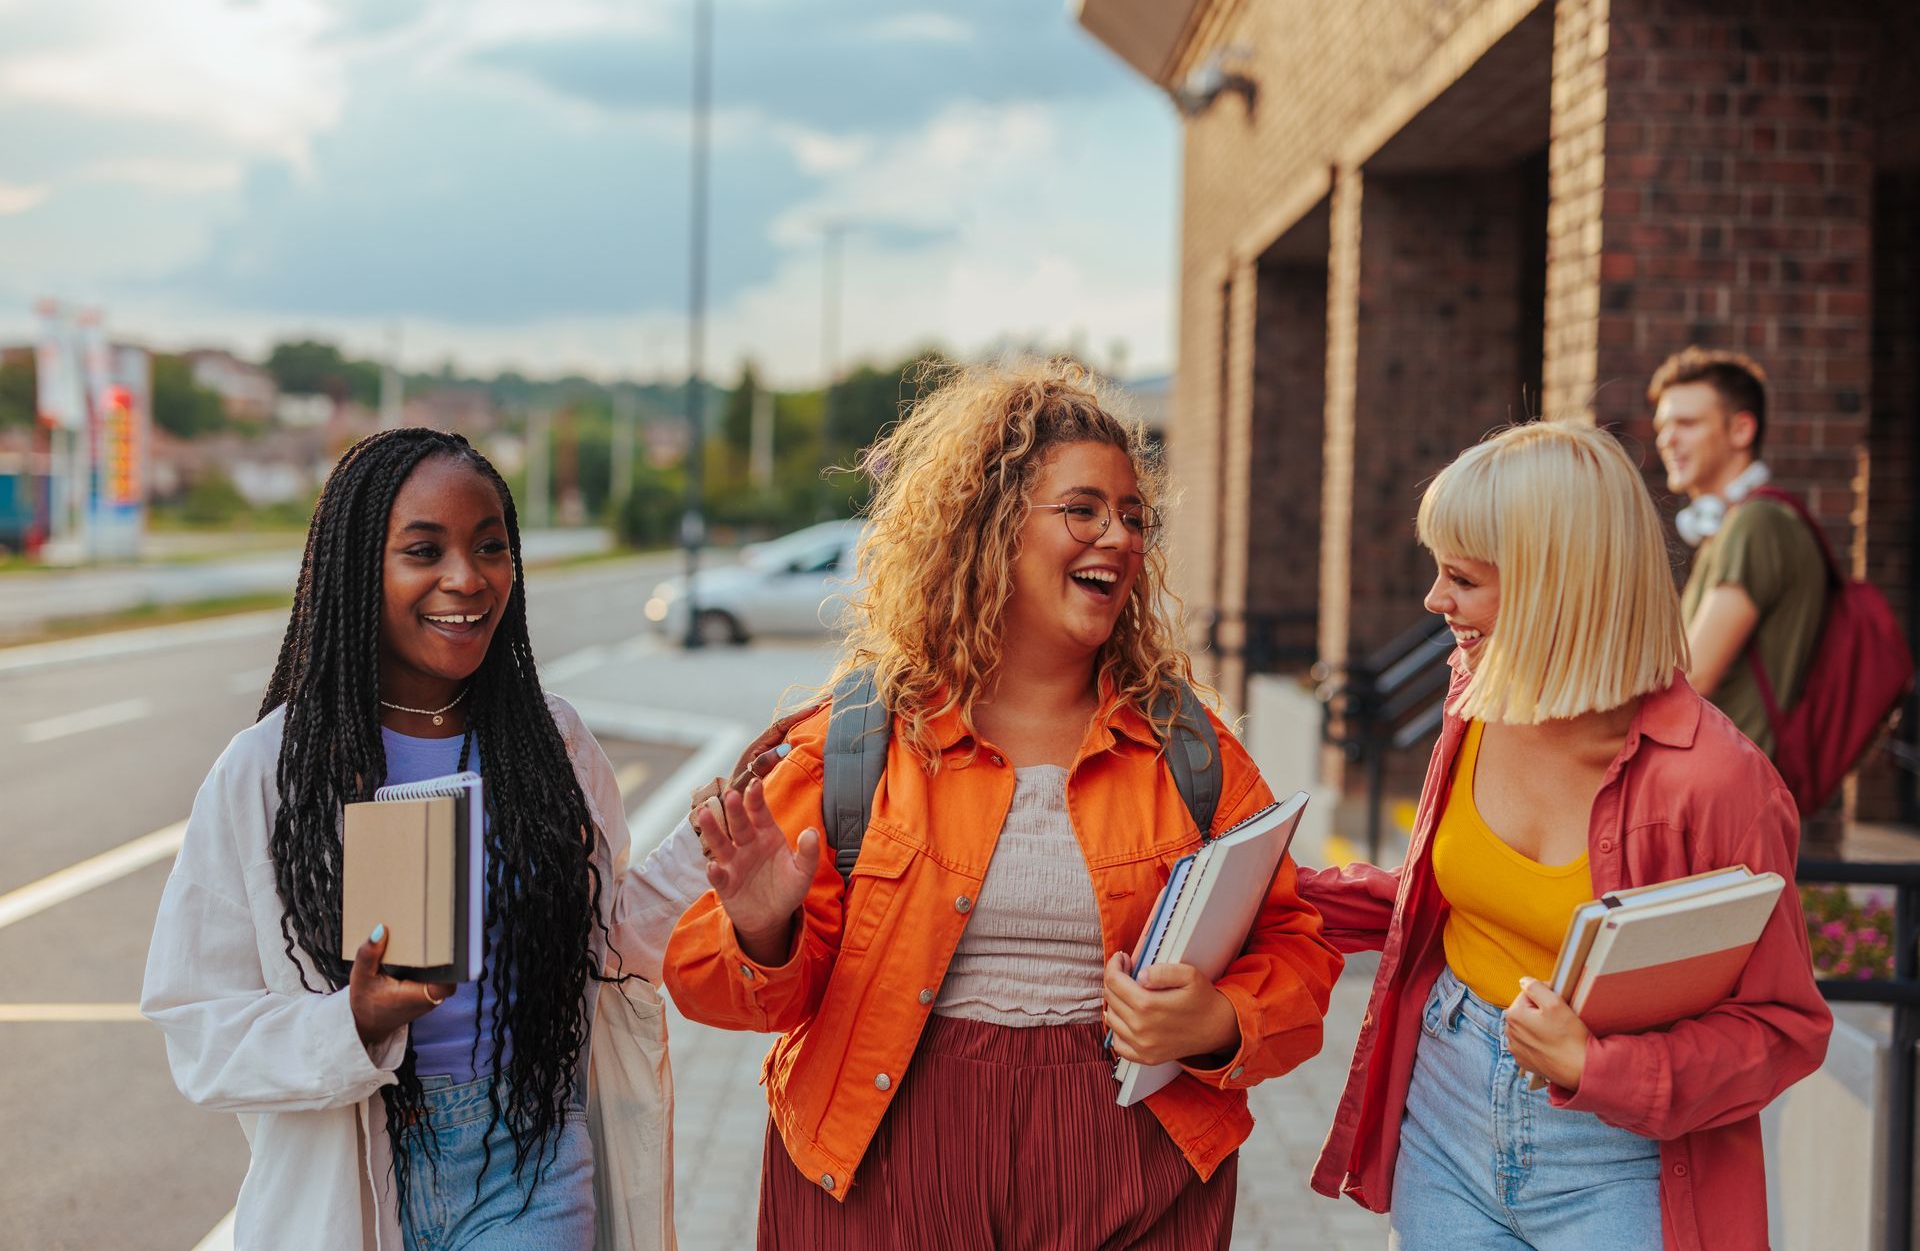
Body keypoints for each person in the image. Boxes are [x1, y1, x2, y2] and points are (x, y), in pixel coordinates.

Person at [663, 359, 1341, 1250]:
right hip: (884, 1169)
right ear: (989, 527)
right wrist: (761, 934)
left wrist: (1219, 1022)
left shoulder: (1191, 749)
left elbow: (1299, 951)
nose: (1119, 537)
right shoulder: (861, 740)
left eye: (1134, 515)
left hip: (1129, 1170)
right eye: (1083, 508)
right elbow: (709, 982)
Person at [141, 428, 706, 1251]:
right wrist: (353, 1024)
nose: (467, 578)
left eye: (490, 546)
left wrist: (709, 848)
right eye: (423, 549)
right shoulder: (270, 770)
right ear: (358, 567)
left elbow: (607, 936)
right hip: (354, 1166)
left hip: (529, 1157)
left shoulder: (552, 744)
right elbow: (194, 1020)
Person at [1300, 421, 1830, 1250]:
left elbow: (1782, 1028)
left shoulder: (1719, 783)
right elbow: (1441, 898)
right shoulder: (1474, 695)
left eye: (1462, 579)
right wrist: (1278, 891)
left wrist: (1597, 1068)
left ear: (1556, 591)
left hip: (1622, 1158)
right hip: (1445, 1106)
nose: (1435, 601)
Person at [1649, 346, 1826, 758]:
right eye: (1663, 425)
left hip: (1738, 787)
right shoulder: (1729, 524)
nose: (1666, 439)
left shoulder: (1756, 523)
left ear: (1741, 430)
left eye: (1687, 423)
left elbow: (1692, 677)